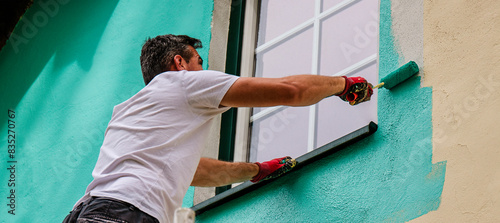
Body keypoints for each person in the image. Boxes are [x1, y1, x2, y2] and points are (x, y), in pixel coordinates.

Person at [63, 34, 373, 223]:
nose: (204, 70)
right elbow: (289, 90)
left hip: (88, 212)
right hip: (124, 214)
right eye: (199, 62)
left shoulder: (128, 111)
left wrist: (255, 170)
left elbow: (193, 172)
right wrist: (341, 84)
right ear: (179, 64)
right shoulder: (183, 83)